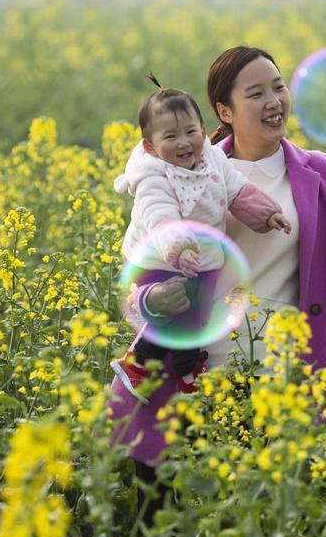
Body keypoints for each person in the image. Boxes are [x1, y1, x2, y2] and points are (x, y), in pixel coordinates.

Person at [109, 47, 326, 533]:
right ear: (224, 111)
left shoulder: (319, 174)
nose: (274, 101)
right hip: (197, 375)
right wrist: (153, 301)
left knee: (269, 531)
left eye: (279, 87)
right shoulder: (178, 175)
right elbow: (143, 275)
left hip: (285, 382)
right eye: (256, 93)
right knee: (186, 530)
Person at [111, 75, 291, 402]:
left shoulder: (212, 159)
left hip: (199, 258)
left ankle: (185, 368)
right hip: (158, 258)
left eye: (191, 132)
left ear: (204, 132)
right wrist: (178, 249)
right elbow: (161, 217)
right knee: (176, 314)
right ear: (150, 146)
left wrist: (267, 214)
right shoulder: (153, 176)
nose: (184, 142)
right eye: (171, 136)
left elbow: (236, 189)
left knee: (196, 318)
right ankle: (143, 364)